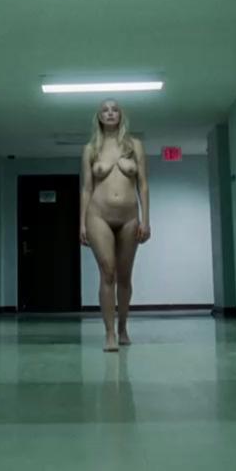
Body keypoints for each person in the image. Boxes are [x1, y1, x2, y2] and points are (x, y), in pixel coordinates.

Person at [80, 99, 151, 352]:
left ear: (121, 115)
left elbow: (143, 184)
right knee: (107, 272)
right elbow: (86, 188)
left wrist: (146, 220)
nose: (110, 113)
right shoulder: (91, 149)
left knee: (124, 276)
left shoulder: (134, 146)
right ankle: (109, 333)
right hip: (98, 216)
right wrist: (81, 224)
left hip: (130, 218)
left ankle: (122, 328)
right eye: (105, 110)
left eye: (115, 109)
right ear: (99, 117)